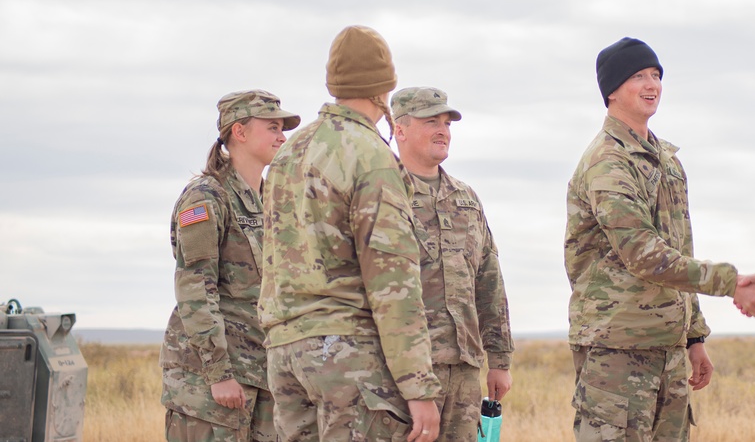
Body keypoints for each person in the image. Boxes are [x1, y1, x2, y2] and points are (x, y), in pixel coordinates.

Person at [564, 36, 755, 442]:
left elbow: (681, 252)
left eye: (657, 75)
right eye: (638, 75)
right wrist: (732, 282)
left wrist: (694, 336)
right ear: (610, 91)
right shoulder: (607, 161)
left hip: (668, 348)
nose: (651, 84)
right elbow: (644, 254)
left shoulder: (668, 162)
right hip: (617, 350)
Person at [258, 25, 442, 442]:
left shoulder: (290, 151)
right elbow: (392, 280)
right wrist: (418, 386)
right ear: (384, 88)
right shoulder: (371, 155)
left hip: (285, 352)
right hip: (346, 357)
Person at [161, 89, 300, 442]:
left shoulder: (274, 202)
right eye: (272, 127)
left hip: (264, 379)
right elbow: (195, 289)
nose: (282, 136)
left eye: (282, 128)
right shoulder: (207, 198)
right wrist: (218, 372)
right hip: (214, 387)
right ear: (239, 132)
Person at [391, 86, 515, 441]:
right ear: (400, 129)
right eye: (431, 121)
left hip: (464, 371)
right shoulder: (382, 194)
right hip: (403, 373)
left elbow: (489, 280)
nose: (443, 130)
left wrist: (499, 360)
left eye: (447, 122)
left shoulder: (466, 199)